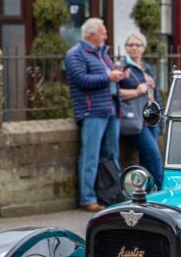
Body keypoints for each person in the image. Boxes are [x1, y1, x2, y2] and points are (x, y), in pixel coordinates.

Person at [65, 17, 128, 212]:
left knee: (111, 155)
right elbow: (80, 79)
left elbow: (106, 77)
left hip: (110, 109)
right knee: (90, 156)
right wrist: (108, 76)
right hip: (92, 110)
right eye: (103, 33)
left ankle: (113, 194)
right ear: (91, 34)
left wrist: (118, 75)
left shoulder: (102, 54)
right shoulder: (76, 54)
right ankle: (88, 198)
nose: (106, 36)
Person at [118, 32, 164, 188]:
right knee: (154, 156)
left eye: (137, 45)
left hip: (152, 119)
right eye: (130, 45)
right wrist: (136, 92)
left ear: (143, 48)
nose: (134, 48)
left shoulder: (147, 67)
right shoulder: (122, 67)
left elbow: (155, 93)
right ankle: (162, 190)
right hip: (137, 120)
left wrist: (160, 117)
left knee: (146, 159)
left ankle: (145, 192)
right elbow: (114, 93)